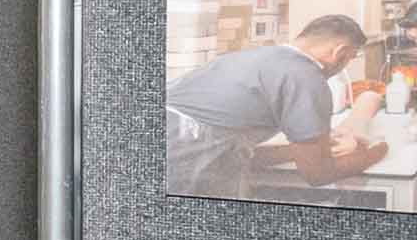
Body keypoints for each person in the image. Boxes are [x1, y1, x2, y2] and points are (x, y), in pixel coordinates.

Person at [164, 14, 387, 200]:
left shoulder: (252, 56)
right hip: (178, 167)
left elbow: (239, 152)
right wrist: (379, 151)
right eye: (350, 58)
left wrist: (304, 149)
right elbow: (318, 174)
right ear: (340, 52)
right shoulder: (306, 78)